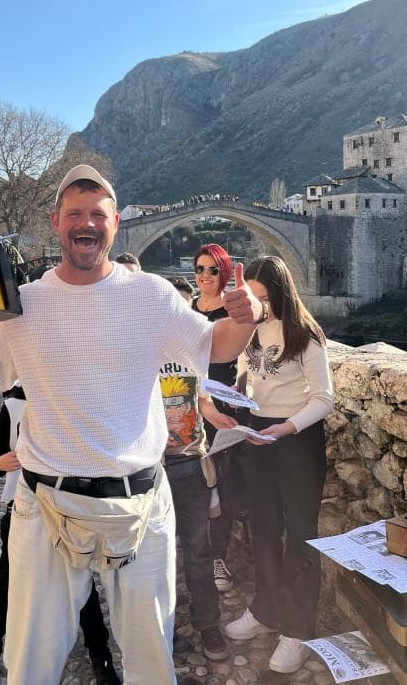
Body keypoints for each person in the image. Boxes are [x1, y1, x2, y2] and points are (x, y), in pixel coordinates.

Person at [0, 164, 264, 685]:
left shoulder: (152, 295)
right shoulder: (23, 303)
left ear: (115, 223)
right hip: (44, 503)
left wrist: (246, 319)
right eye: (74, 213)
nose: (86, 223)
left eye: (97, 214)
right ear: (55, 221)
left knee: (151, 660)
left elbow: (216, 347)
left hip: (138, 503)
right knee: (30, 663)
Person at [223, 255, 334, 674]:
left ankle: (298, 630)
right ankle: (266, 610)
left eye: (264, 298)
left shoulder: (305, 333)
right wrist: (235, 399)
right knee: (264, 528)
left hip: (297, 440)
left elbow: (324, 399)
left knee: (301, 535)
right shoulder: (249, 329)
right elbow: (248, 378)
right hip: (258, 433)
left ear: (281, 294)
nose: (258, 306)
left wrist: (285, 429)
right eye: (252, 298)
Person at [0, 382, 120, 685]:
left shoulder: (78, 400)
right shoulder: (14, 403)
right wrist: (4, 461)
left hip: (71, 507)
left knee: (83, 584)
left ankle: (101, 654)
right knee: (8, 582)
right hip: (23, 507)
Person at [159, 277, 234, 662]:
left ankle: (208, 626)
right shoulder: (138, 350)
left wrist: (217, 416)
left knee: (198, 552)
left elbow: (201, 399)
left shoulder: (193, 350)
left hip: (191, 464)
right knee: (156, 558)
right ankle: (162, 631)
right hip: (152, 472)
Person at [191, 244, 243, 593]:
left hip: (225, 406)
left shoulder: (234, 310)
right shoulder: (186, 311)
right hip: (192, 408)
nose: (205, 275)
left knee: (222, 484)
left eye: (212, 269)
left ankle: (217, 557)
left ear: (223, 272)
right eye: (199, 269)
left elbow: (249, 357)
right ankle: (195, 552)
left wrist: (238, 390)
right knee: (196, 482)